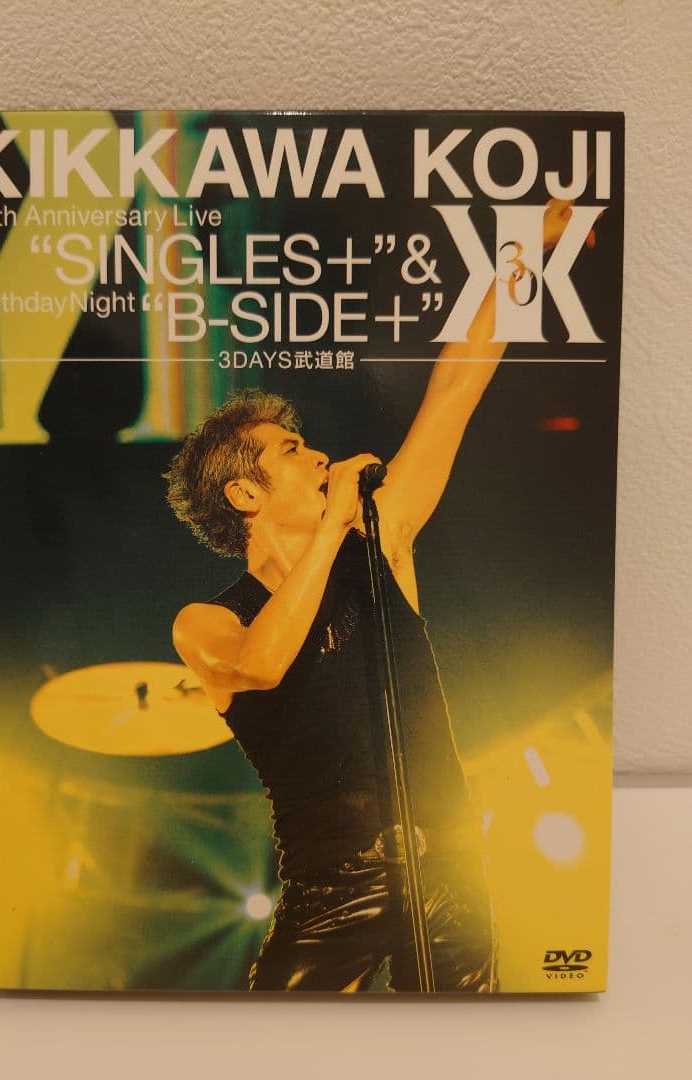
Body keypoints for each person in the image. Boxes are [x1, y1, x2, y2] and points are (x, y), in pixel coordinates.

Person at [164, 201, 584, 992]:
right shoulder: (209, 621)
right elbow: (261, 666)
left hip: (449, 871)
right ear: (247, 495)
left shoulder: (381, 539)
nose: (319, 455)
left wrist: (525, 250)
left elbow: (457, 385)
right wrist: (333, 526)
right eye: (294, 451)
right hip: (333, 892)